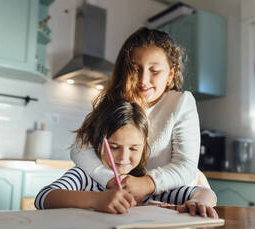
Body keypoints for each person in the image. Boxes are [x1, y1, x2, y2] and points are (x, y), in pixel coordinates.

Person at [71, 27, 206, 202]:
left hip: (174, 197)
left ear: (170, 75)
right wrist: (112, 180)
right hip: (130, 200)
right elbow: (79, 149)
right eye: (135, 69)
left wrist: (147, 183)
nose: (143, 80)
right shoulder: (115, 103)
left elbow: (185, 165)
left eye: (154, 71)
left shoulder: (181, 103)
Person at [35, 100, 218, 218]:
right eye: (114, 147)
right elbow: (43, 197)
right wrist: (97, 200)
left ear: (144, 145)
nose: (123, 157)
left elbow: (204, 193)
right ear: (99, 143)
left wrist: (200, 202)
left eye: (133, 148)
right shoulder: (84, 176)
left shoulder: (141, 184)